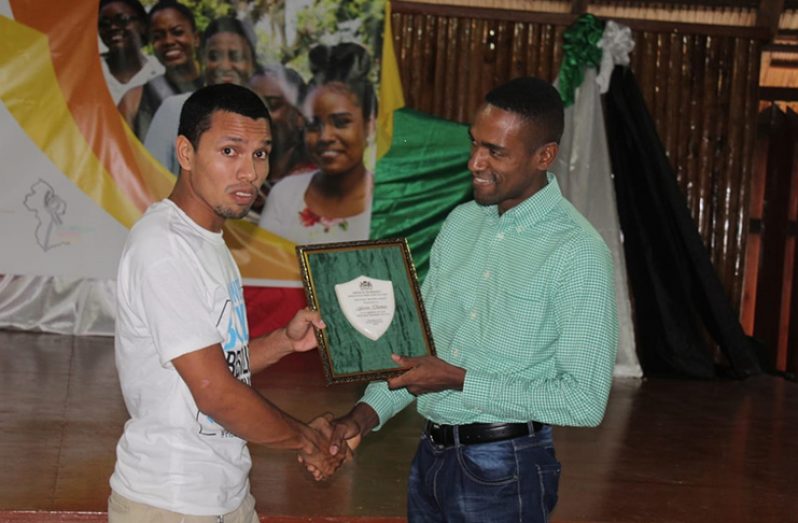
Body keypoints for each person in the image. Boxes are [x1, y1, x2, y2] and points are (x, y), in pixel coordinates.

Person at [315, 77, 619, 522]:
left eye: (496, 151)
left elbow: (584, 401)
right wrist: (359, 420)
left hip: (508, 468)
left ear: (544, 156)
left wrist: (459, 380)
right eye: (474, 143)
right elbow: (418, 351)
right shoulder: (461, 223)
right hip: (430, 458)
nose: (475, 161)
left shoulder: (577, 252)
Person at [109, 83, 344, 522]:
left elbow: (218, 364)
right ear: (185, 152)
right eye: (230, 151)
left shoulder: (209, 239)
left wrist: (282, 342)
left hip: (226, 497)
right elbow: (215, 393)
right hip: (169, 503)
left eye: (260, 154)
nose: (250, 173)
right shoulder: (163, 247)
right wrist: (306, 439)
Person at [258, 43, 375, 244]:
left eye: (341, 122)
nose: (325, 136)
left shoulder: (390, 204)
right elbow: (265, 270)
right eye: (313, 124)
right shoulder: (285, 196)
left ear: (369, 125)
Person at [144, 16, 257, 175]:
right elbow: (150, 179)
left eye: (235, 57)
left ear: (252, 64)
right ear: (202, 60)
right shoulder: (175, 110)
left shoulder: (263, 117)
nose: (224, 66)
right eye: (214, 57)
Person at [117, 0, 203, 140]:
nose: (168, 41)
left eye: (178, 32)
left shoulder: (219, 87)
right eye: (158, 36)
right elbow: (116, 153)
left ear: (196, 38)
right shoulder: (133, 101)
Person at [98, 0, 164, 104]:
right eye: (104, 24)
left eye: (122, 20)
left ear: (142, 25)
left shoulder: (160, 72)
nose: (112, 28)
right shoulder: (88, 72)